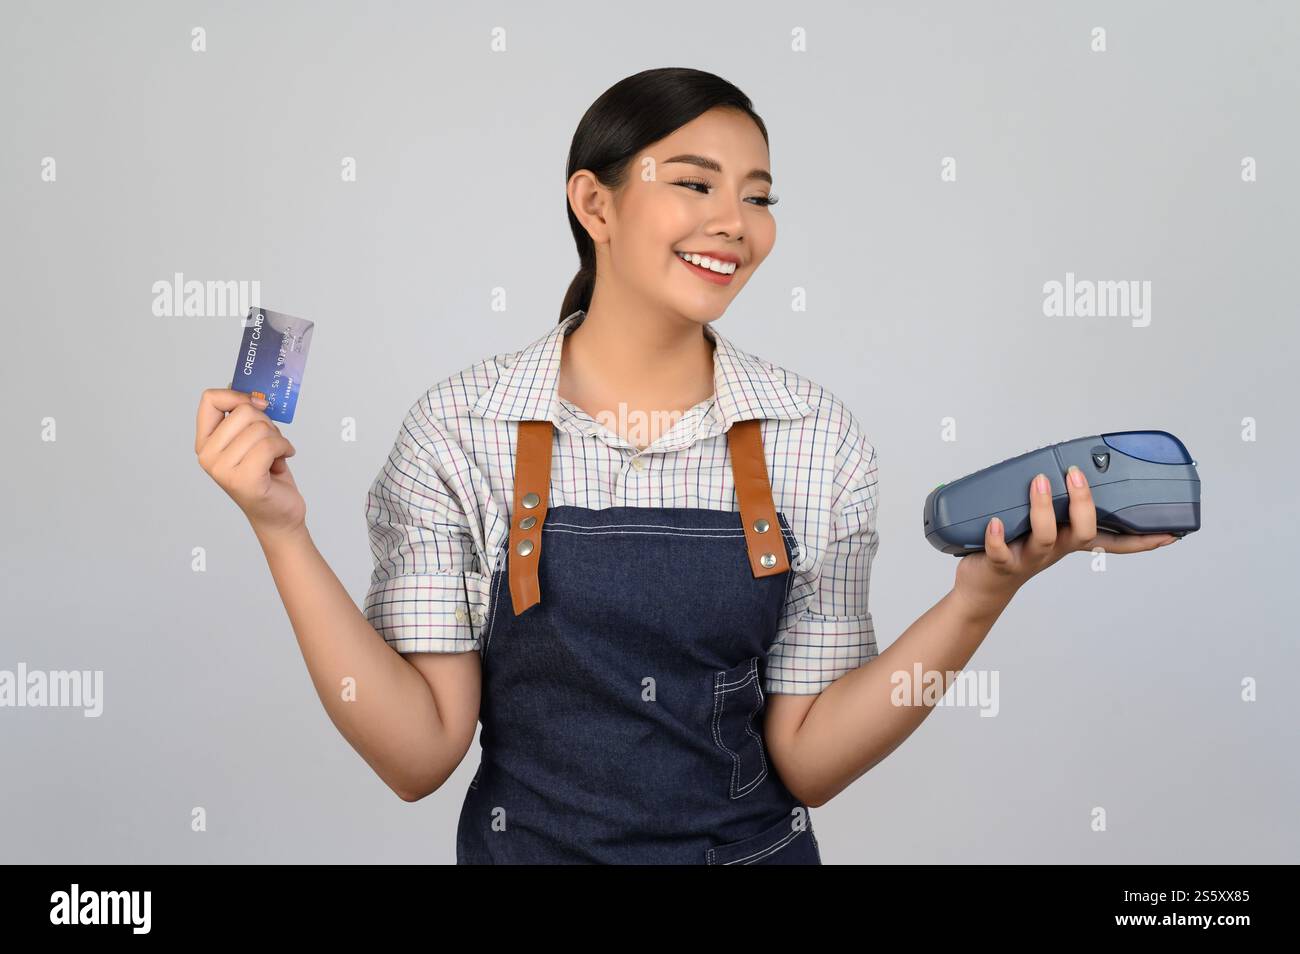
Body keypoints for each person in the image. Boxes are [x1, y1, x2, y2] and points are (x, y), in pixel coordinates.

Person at [194, 67, 1180, 864]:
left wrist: (979, 597)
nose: (735, 223)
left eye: (757, 197)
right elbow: (418, 755)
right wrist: (280, 531)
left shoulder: (814, 436)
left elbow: (807, 760)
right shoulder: (460, 429)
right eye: (695, 183)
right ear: (595, 202)